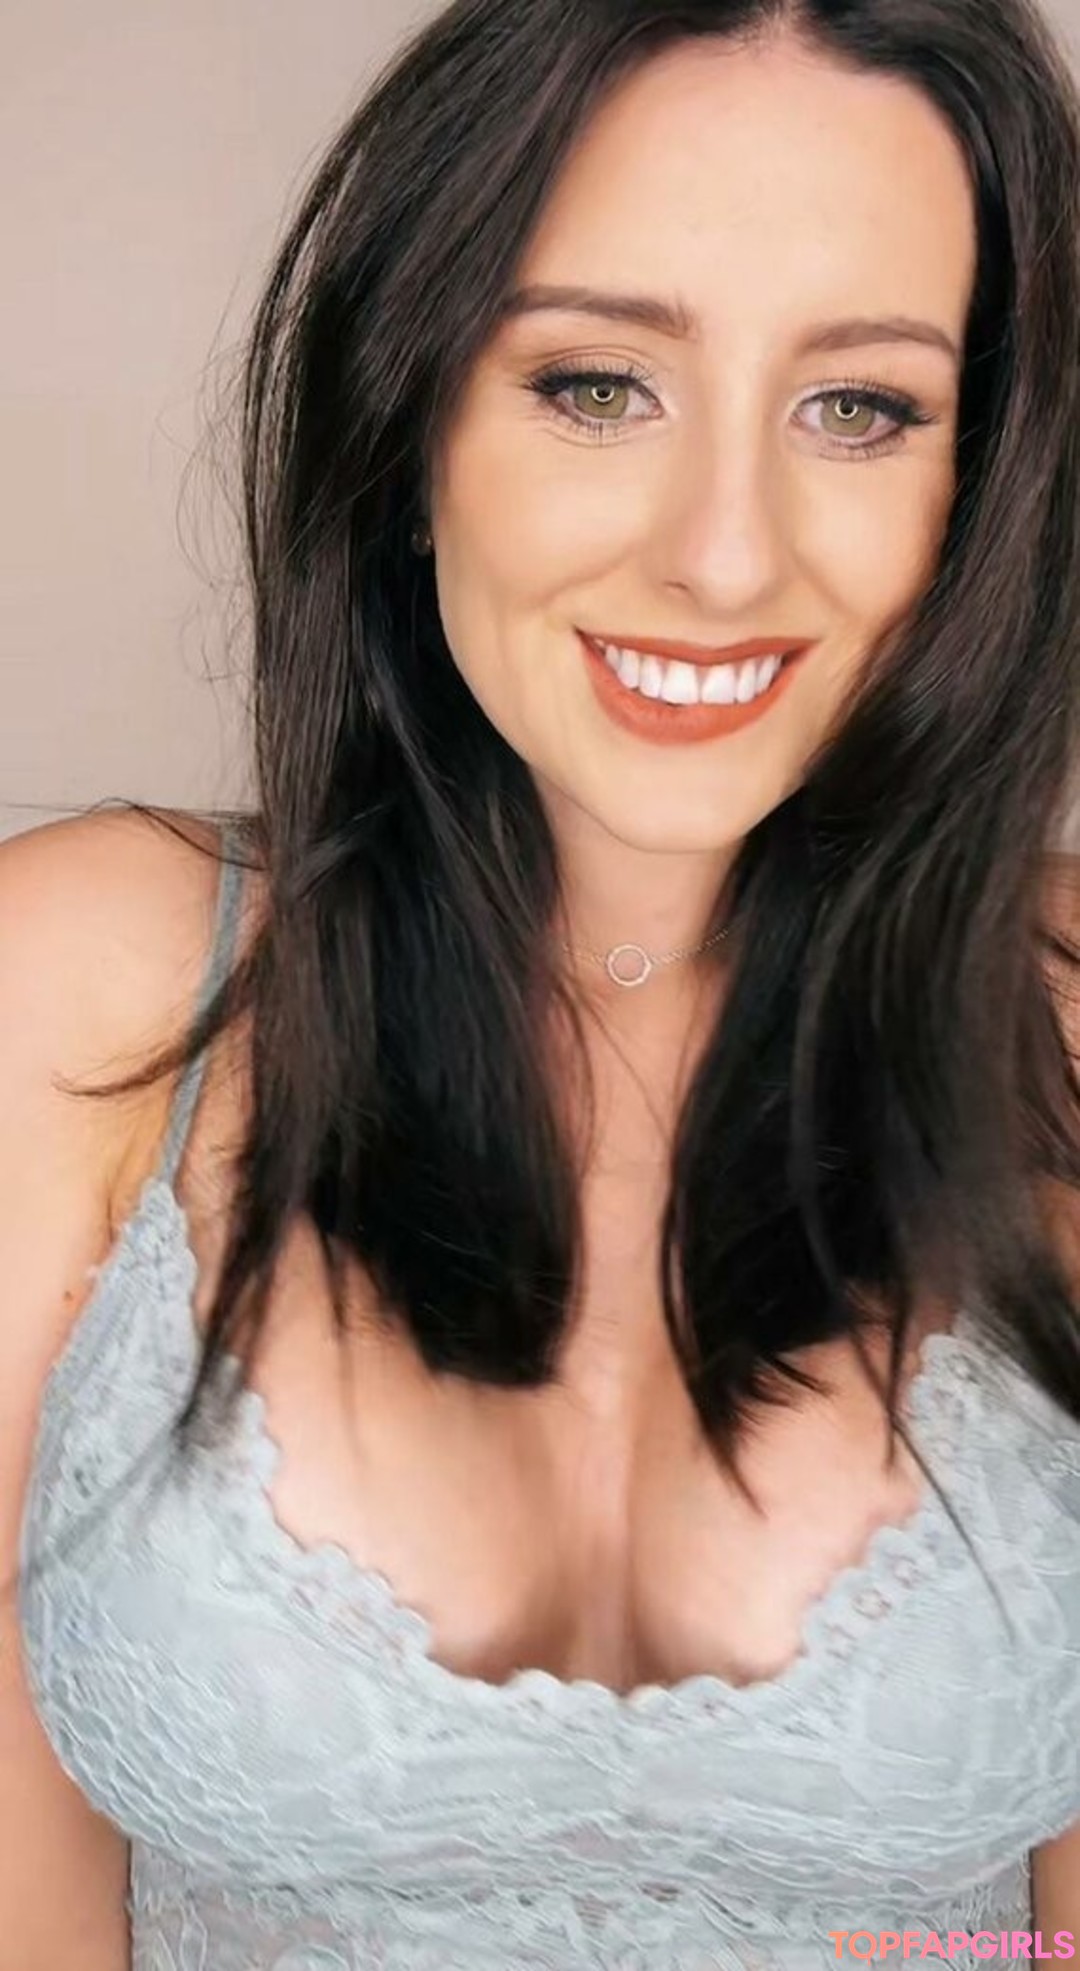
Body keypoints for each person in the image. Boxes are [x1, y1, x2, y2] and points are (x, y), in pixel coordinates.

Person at [4, 0, 1080, 1961]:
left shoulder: (1069, 1032)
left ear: (978, 487)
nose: (726, 556)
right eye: (599, 382)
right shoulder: (73, 990)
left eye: (859, 407)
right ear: (409, 423)